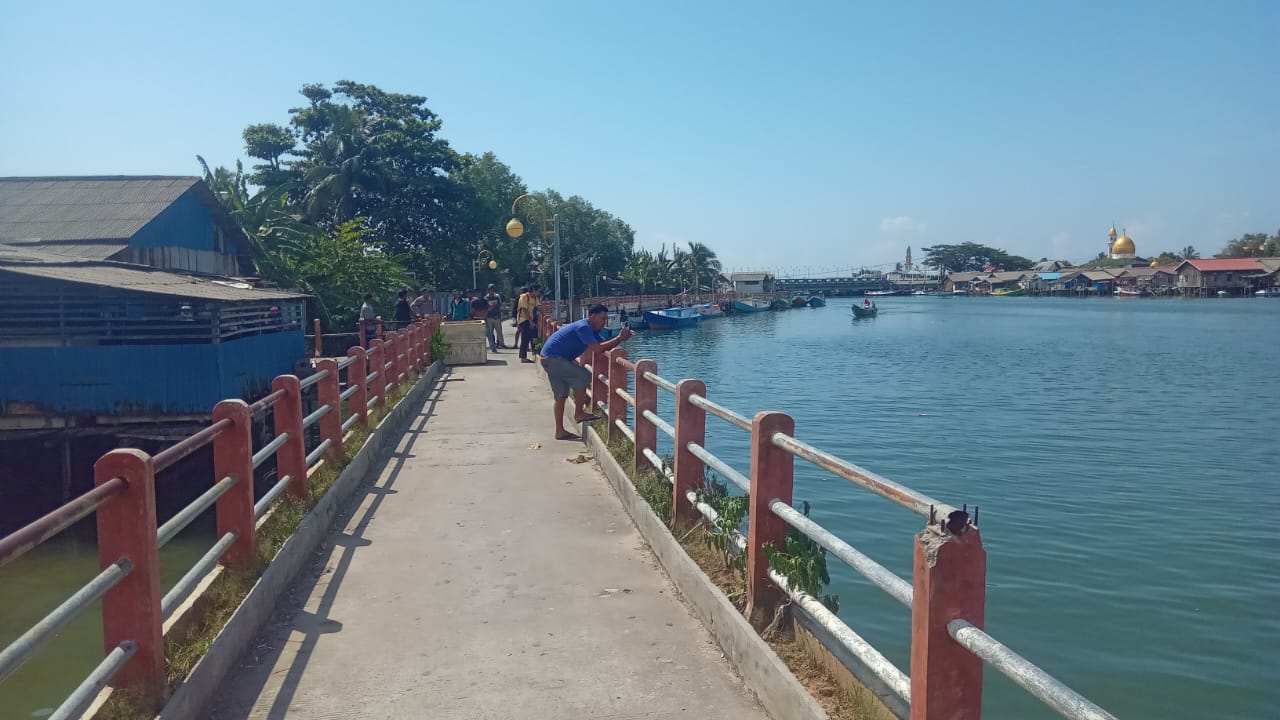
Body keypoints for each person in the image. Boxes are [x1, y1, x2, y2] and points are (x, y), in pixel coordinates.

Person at [540, 304, 634, 440]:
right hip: (554, 359)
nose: (605, 322)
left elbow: (604, 346)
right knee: (583, 376)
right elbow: (597, 349)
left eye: (606, 319)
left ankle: (559, 431)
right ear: (593, 316)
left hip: (549, 358)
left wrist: (621, 338)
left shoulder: (591, 330)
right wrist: (619, 338)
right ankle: (579, 413)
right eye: (603, 318)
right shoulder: (583, 327)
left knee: (560, 396)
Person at [516, 285, 540, 363]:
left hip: (531, 319)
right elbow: (524, 309)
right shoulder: (524, 297)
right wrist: (530, 321)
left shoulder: (535, 298)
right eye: (537, 291)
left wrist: (547, 315)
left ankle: (535, 351)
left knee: (535, 335)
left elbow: (539, 307)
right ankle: (523, 357)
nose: (538, 293)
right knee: (525, 338)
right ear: (533, 290)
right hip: (523, 319)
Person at [483, 284, 505, 351]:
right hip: (489, 317)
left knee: (499, 331)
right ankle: (492, 344)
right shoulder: (486, 298)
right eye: (490, 290)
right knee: (490, 332)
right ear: (488, 290)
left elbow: (499, 305)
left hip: (496, 317)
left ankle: (501, 344)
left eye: (493, 290)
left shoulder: (497, 297)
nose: (492, 291)